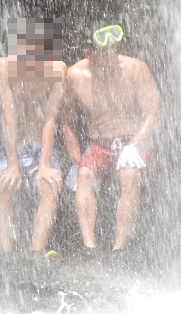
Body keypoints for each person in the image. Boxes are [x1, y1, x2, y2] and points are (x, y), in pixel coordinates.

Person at [62, 23, 161, 253]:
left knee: (130, 174)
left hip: (133, 140)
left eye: (113, 49)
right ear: (88, 52)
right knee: (84, 174)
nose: (111, 55)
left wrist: (134, 144)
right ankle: (90, 248)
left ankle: (119, 249)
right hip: (100, 143)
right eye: (103, 51)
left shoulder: (136, 68)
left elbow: (154, 112)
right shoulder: (75, 75)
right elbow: (67, 123)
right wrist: (75, 159)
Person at [0, 17, 66, 255]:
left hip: (39, 146)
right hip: (10, 146)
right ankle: (6, 254)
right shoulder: (4, 67)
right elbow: (8, 116)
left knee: (49, 185)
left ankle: (36, 253)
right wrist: (12, 164)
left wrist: (44, 163)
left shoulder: (57, 70)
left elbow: (50, 119)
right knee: (3, 184)